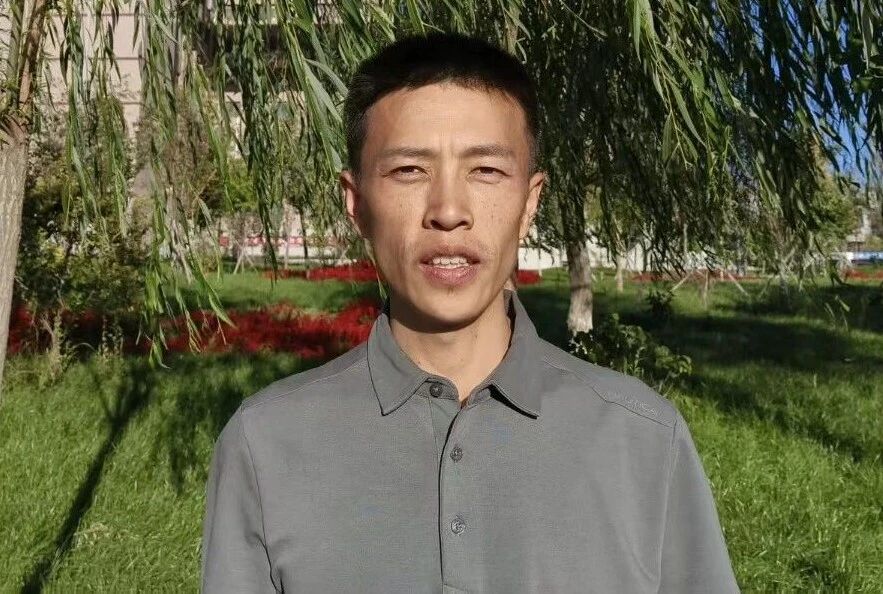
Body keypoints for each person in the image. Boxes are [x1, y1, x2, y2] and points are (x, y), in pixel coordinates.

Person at [201, 32, 739, 593]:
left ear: (529, 203)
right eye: (409, 170)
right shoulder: (265, 445)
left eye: (485, 171)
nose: (449, 211)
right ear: (356, 204)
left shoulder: (642, 440)